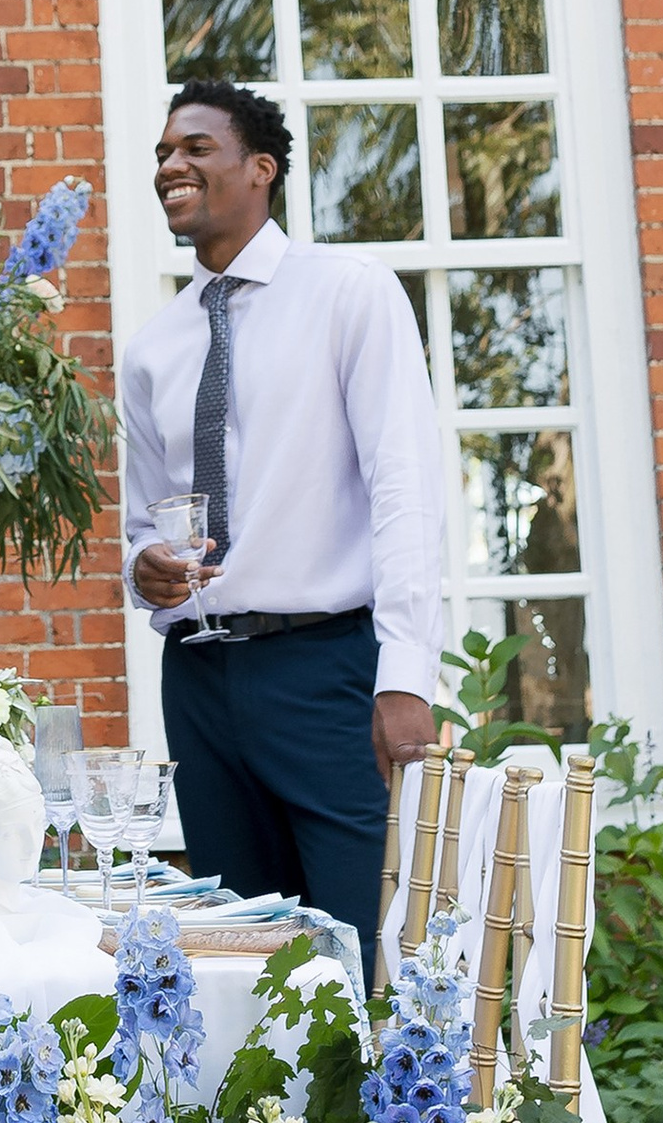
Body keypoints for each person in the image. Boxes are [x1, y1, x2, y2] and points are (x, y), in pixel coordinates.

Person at [120, 75, 445, 962]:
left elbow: (405, 486)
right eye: (162, 154)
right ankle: (267, 1113)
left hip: (325, 670)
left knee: (363, 951)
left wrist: (407, 672)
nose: (171, 166)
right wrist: (146, 563)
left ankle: (383, 1107)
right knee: (241, 958)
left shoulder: (350, 293)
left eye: (196, 148)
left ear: (261, 168)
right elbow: (141, 520)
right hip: (198, 683)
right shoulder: (154, 348)